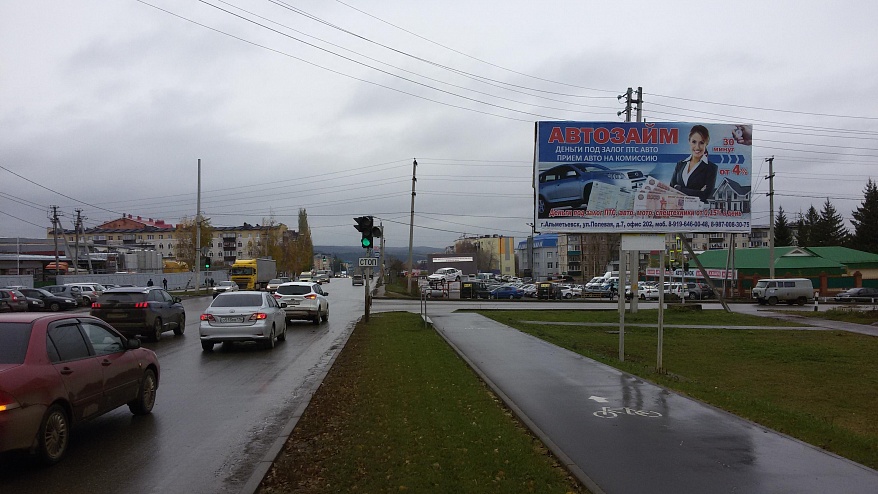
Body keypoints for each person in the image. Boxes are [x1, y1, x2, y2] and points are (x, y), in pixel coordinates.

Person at [670, 125, 718, 202]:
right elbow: (671, 189)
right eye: (694, 142)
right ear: (689, 142)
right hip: (678, 210)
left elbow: (705, 195)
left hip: (698, 211)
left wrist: (679, 189)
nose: (697, 147)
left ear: (706, 143)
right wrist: (697, 192)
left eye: (701, 143)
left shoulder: (711, 168)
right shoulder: (680, 164)